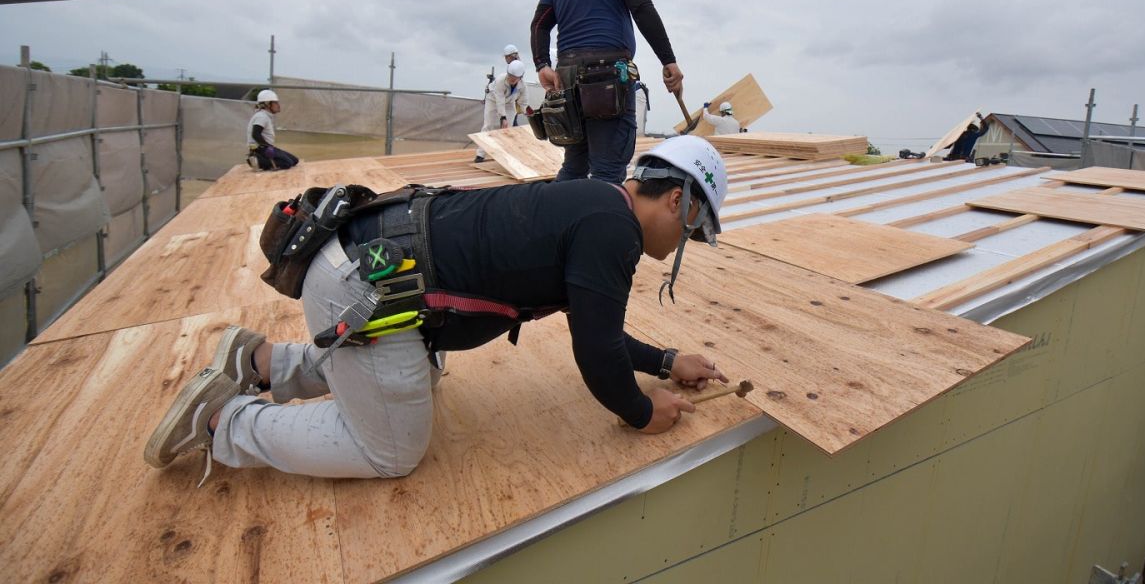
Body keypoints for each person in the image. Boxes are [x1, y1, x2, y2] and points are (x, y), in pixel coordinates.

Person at [145, 136, 731, 482]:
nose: (685, 243)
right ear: (677, 199)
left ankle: (264, 362)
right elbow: (597, 351)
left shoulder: (596, 204)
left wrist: (665, 361)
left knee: (410, 383)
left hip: (367, 269)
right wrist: (637, 410)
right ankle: (225, 421)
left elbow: (596, 328)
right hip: (367, 287)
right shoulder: (614, 232)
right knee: (391, 450)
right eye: (694, 230)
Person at [531, 0, 684, 184]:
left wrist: (542, 64)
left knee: (575, 165)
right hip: (606, 77)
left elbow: (540, 24)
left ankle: (554, 224)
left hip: (566, 76)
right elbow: (640, 6)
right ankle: (599, 225)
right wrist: (668, 60)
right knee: (608, 171)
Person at [474, 59, 529, 163]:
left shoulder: (523, 86)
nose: (511, 79)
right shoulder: (500, 80)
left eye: (514, 78)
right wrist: (503, 117)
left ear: (520, 78)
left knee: (508, 129)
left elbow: (523, 101)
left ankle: (504, 154)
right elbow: (500, 101)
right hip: (493, 100)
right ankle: (480, 154)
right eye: (510, 76)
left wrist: (527, 113)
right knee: (488, 125)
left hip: (509, 104)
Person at [246, 89, 299, 171]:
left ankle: (261, 160)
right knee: (287, 163)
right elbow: (255, 134)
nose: (278, 105)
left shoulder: (265, 116)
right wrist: (268, 147)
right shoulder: (262, 116)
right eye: (275, 103)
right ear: (267, 104)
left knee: (294, 160)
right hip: (261, 149)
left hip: (265, 147)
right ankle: (258, 161)